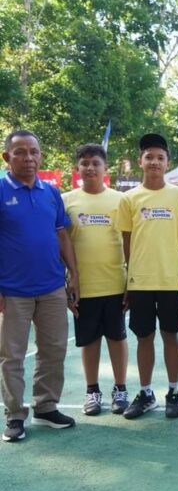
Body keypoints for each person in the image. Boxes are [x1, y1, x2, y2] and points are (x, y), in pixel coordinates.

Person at [1, 130, 79, 442]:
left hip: (51, 288)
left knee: (54, 349)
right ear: (7, 157)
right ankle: (15, 415)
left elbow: (62, 235)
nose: (29, 158)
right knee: (12, 355)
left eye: (34, 151)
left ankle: (46, 407)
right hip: (12, 291)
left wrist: (74, 273)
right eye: (20, 152)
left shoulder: (51, 192)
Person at [116, 133, 178, 419]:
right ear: (140, 161)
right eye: (150, 157)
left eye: (160, 157)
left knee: (171, 335)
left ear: (167, 162)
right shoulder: (129, 198)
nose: (155, 162)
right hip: (141, 282)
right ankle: (146, 393)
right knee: (144, 336)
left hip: (172, 281)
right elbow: (126, 241)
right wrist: (128, 278)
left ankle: (173, 391)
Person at [63, 143, 129, 416]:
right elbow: (62, 242)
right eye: (84, 163)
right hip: (83, 286)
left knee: (117, 337)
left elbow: (128, 241)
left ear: (105, 168)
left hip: (115, 282)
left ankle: (120, 388)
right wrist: (69, 280)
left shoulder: (120, 200)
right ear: (76, 168)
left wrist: (131, 281)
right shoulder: (66, 200)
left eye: (95, 163)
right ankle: (92, 391)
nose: (90, 167)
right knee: (89, 340)